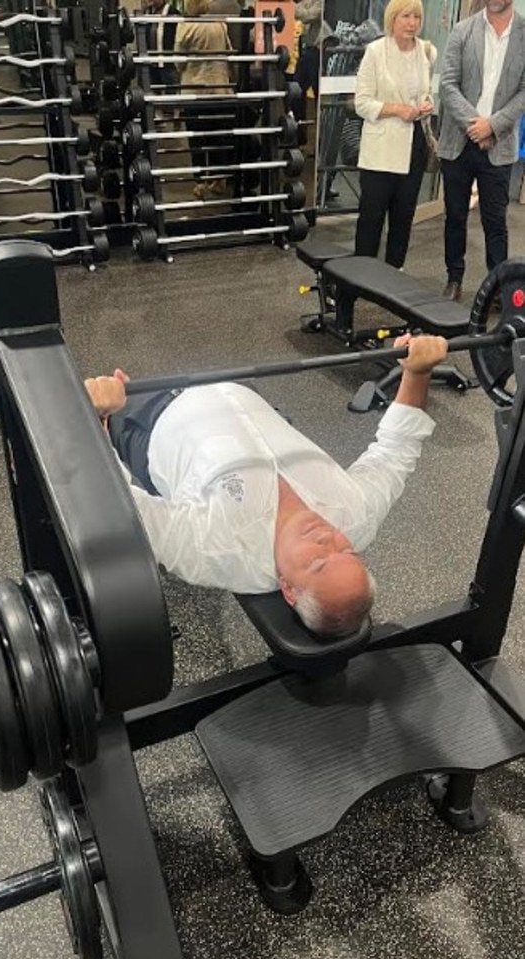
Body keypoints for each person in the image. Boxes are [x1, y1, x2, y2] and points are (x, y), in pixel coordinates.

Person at [84, 334, 448, 638]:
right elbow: (396, 452)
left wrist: (97, 418)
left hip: (153, 419)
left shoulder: (215, 550)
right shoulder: (357, 516)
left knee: (106, 397)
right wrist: (417, 372)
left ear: (287, 588)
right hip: (239, 394)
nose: (329, 540)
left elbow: (126, 511)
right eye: (348, 552)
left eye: (319, 563)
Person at [438, 0, 525, 303]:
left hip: (498, 145)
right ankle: (454, 278)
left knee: (495, 222)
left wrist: (493, 126)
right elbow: (448, 85)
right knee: (455, 217)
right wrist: (475, 126)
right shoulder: (462, 31)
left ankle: (498, 288)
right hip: (459, 142)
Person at [353, 0, 437, 269]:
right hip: (381, 150)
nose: (412, 23)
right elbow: (362, 103)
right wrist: (397, 109)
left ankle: (394, 275)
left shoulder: (425, 52)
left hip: (414, 144)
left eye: (416, 17)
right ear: (393, 18)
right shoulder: (376, 52)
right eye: (406, 16)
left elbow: (424, 92)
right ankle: (362, 276)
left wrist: (426, 104)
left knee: (403, 217)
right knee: (371, 217)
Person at [175, 0, 234, 199]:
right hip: (219, 89)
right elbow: (229, 53)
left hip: (194, 92)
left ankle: (199, 182)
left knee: (197, 138)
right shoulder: (220, 24)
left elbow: (178, 61)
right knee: (218, 136)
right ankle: (218, 180)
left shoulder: (186, 26)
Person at [144, 0, 181, 95]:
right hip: (151, 61)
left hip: (167, 61)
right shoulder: (147, 12)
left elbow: (179, 35)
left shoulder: (172, 12)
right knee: (154, 91)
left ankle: (169, 109)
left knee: (170, 91)